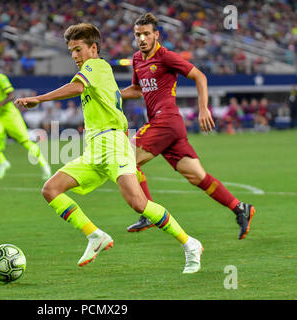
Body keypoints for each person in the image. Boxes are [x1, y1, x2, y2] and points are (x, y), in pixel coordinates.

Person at [15, 23, 203, 274]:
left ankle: (189, 243)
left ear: (94, 48)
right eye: (71, 51)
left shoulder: (96, 66)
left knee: (138, 203)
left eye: (78, 49)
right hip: (94, 149)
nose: (74, 56)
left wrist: (39, 98)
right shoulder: (94, 72)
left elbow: (76, 87)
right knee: (51, 189)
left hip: (113, 144)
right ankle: (95, 236)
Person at [122, 13, 255, 240]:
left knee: (125, 159)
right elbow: (137, 90)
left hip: (166, 121)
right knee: (197, 176)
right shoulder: (137, 59)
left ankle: (147, 212)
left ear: (156, 35)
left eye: (146, 34)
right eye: (138, 35)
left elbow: (199, 76)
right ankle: (239, 207)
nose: (142, 38)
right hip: (167, 126)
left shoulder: (166, 56)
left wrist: (203, 108)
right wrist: (113, 94)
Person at [0, 59, 51, 180]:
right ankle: (3, 162)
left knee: (25, 142)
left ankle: (44, 165)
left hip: (10, 114)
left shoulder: (0, 78)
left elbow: (12, 94)